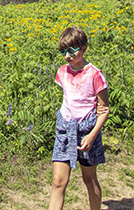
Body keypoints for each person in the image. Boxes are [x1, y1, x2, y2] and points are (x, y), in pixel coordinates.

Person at [49, 26, 110, 210]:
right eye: (63, 51)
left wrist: (92, 135)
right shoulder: (61, 72)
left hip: (87, 132)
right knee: (58, 181)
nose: (67, 56)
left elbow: (104, 108)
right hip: (65, 130)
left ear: (83, 48)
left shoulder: (95, 75)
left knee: (89, 179)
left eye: (71, 51)